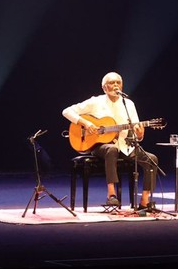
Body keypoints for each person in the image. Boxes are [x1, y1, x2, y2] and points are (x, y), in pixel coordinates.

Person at [62, 72, 159, 210]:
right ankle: (111, 195)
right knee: (112, 149)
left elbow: (136, 131)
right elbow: (66, 111)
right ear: (104, 88)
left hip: (125, 146)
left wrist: (140, 134)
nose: (115, 85)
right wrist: (86, 123)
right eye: (111, 83)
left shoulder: (128, 104)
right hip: (100, 146)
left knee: (152, 159)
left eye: (118, 83)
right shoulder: (95, 101)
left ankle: (144, 201)